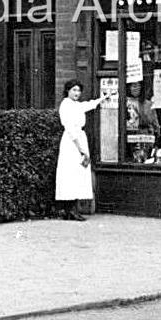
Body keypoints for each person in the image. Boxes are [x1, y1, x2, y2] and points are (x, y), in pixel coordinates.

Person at [56, 79, 103, 221]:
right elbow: (69, 128)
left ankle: (72, 209)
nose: (77, 93)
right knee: (71, 173)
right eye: (74, 90)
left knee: (78, 173)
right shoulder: (66, 105)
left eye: (78, 90)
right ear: (67, 91)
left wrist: (103, 98)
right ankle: (70, 209)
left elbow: (88, 105)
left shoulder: (76, 105)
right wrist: (80, 149)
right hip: (72, 143)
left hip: (79, 139)